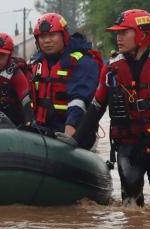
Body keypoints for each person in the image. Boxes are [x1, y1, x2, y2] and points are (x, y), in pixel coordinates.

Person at [63, 9, 150, 206]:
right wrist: (75, 141)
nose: (118, 37)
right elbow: (96, 109)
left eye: (124, 32)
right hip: (128, 148)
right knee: (131, 211)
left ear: (142, 35)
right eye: (117, 33)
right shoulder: (111, 68)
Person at [27, 13, 100, 144]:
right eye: (42, 37)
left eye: (52, 35)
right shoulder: (35, 63)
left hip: (74, 132)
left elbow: (79, 100)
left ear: (64, 36)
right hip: (42, 131)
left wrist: (69, 133)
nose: (47, 40)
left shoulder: (83, 62)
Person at [0, 32, 34, 126]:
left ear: (9, 55)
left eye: (2, 55)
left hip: (11, 123)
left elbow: (26, 100)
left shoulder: (16, 72)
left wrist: (29, 123)